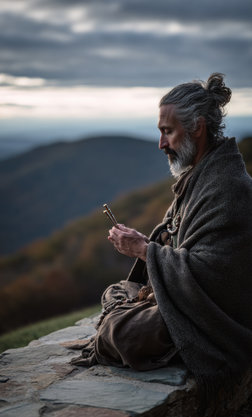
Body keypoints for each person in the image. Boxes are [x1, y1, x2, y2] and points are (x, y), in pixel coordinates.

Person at [72, 73, 252, 394]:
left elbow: (215, 274)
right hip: (187, 298)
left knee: (125, 332)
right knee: (118, 290)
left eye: (167, 132)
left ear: (197, 127)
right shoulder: (201, 175)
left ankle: (124, 319)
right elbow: (183, 244)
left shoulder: (228, 187)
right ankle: (129, 311)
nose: (161, 144)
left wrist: (144, 250)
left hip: (217, 322)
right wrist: (146, 246)